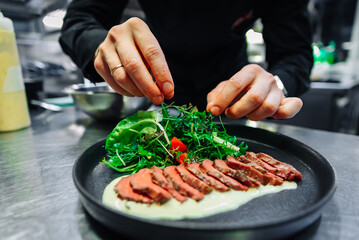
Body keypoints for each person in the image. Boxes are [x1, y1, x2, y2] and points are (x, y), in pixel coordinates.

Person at [59, 0, 313, 121]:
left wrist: (276, 85)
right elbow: (79, 21)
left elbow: (294, 52)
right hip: (157, 91)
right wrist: (101, 47)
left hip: (236, 102)